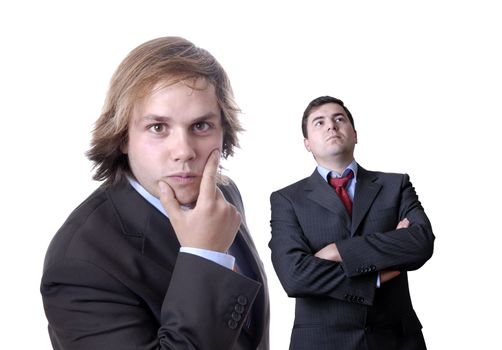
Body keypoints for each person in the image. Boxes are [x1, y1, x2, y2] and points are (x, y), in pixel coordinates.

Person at [41, 36, 269, 350]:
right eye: (158, 128)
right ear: (123, 136)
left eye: (201, 126)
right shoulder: (79, 262)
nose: (184, 151)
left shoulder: (223, 196)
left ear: (223, 131)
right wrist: (206, 258)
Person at [269, 96, 434, 350]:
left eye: (339, 119)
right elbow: (294, 276)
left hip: (396, 340)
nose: (331, 127)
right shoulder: (287, 200)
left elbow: (420, 243)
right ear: (307, 144)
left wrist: (338, 251)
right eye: (319, 123)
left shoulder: (395, 185)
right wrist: (376, 276)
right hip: (322, 343)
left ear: (355, 134)